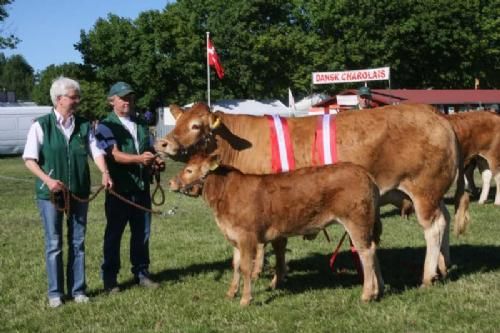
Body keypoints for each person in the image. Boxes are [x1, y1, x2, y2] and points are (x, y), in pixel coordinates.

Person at [23, 76, 112, 308]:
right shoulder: (40, 125)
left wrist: (104, 172)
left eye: (77, 97)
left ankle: (78, 290)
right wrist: (49, 180)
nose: (77, 101)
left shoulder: (84, 125)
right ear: (59, 99)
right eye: (73, 97)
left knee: (78, 242)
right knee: (54, 243)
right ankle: (55, 293)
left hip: (79, 192)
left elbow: (97, 152)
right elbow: (29, 160)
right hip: (51, 194)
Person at [95, 81, 164, 292]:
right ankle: (110, 278)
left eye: (130, 98)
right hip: (119, 191)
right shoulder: (106, 125)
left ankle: (141, 273)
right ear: (111, 101)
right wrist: (139, 159)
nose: (128, 102)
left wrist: (156, 160)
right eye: (123, 98)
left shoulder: (142, 124)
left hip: (141, 188)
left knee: (142, 234)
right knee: (114, 234)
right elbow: (114, 155)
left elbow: (149, 149)